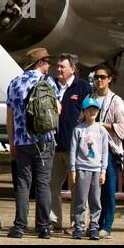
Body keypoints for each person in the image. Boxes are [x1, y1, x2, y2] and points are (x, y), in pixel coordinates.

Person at [5, 47, 61, 239]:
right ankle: (44, 228)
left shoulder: (14, 83)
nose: (49, 65)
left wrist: (12, 142)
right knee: (43, 184)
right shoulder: (48, 82)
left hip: (22, 141)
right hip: (44, 140)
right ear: (40, 63)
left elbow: (9, 117)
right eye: (47, 62)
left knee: (23, 184)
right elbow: (58, 110)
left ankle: (19, 227)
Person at [50, 53, 93, 233]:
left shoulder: (83, 87)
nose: (58, 69)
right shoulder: (50, 85)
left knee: (77, 187)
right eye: (58, 66)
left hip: (75, 148)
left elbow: (88, 114)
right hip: (53, 146)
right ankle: (53, 221)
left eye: (63, 67)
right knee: (51, 185)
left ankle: (77, 223)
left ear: (73, 69)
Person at [91, 63, 124, 238]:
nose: (99, 80)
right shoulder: (90, 97)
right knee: (94, 191)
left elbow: (121, 128)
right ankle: (94, 224)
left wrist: (101, 124)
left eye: (103, 77)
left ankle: (106, 226)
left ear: (110, 79)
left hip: (109, 151)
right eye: (96, 77)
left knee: (108, 190)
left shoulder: (116, 100)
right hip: (92, 150)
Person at [68, 96, 110, 240]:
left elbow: (105, 152)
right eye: (89, 109)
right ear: (83, 112)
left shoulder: (101, 130)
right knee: (80, 200)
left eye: (95, 110)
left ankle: (93, 227)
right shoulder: (78, 130)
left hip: (96, 170)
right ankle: (79, 227)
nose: (92, 112)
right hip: (82, 168)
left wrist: (103, 171)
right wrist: (73, 170)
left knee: (95, 200)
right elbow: (73, 151)